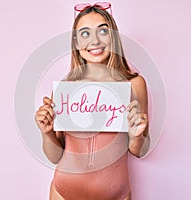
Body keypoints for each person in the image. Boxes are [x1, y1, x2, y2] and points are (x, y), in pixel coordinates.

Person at [35, 2, 150, 200]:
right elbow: (55, 156)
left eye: (102, 31)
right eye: (85, 33)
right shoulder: (65, 89)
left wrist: (138, 136)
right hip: (63, 193)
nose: (95, 41)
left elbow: (139, 151)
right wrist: (46, 132)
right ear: (76, 42)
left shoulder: (134, 84)